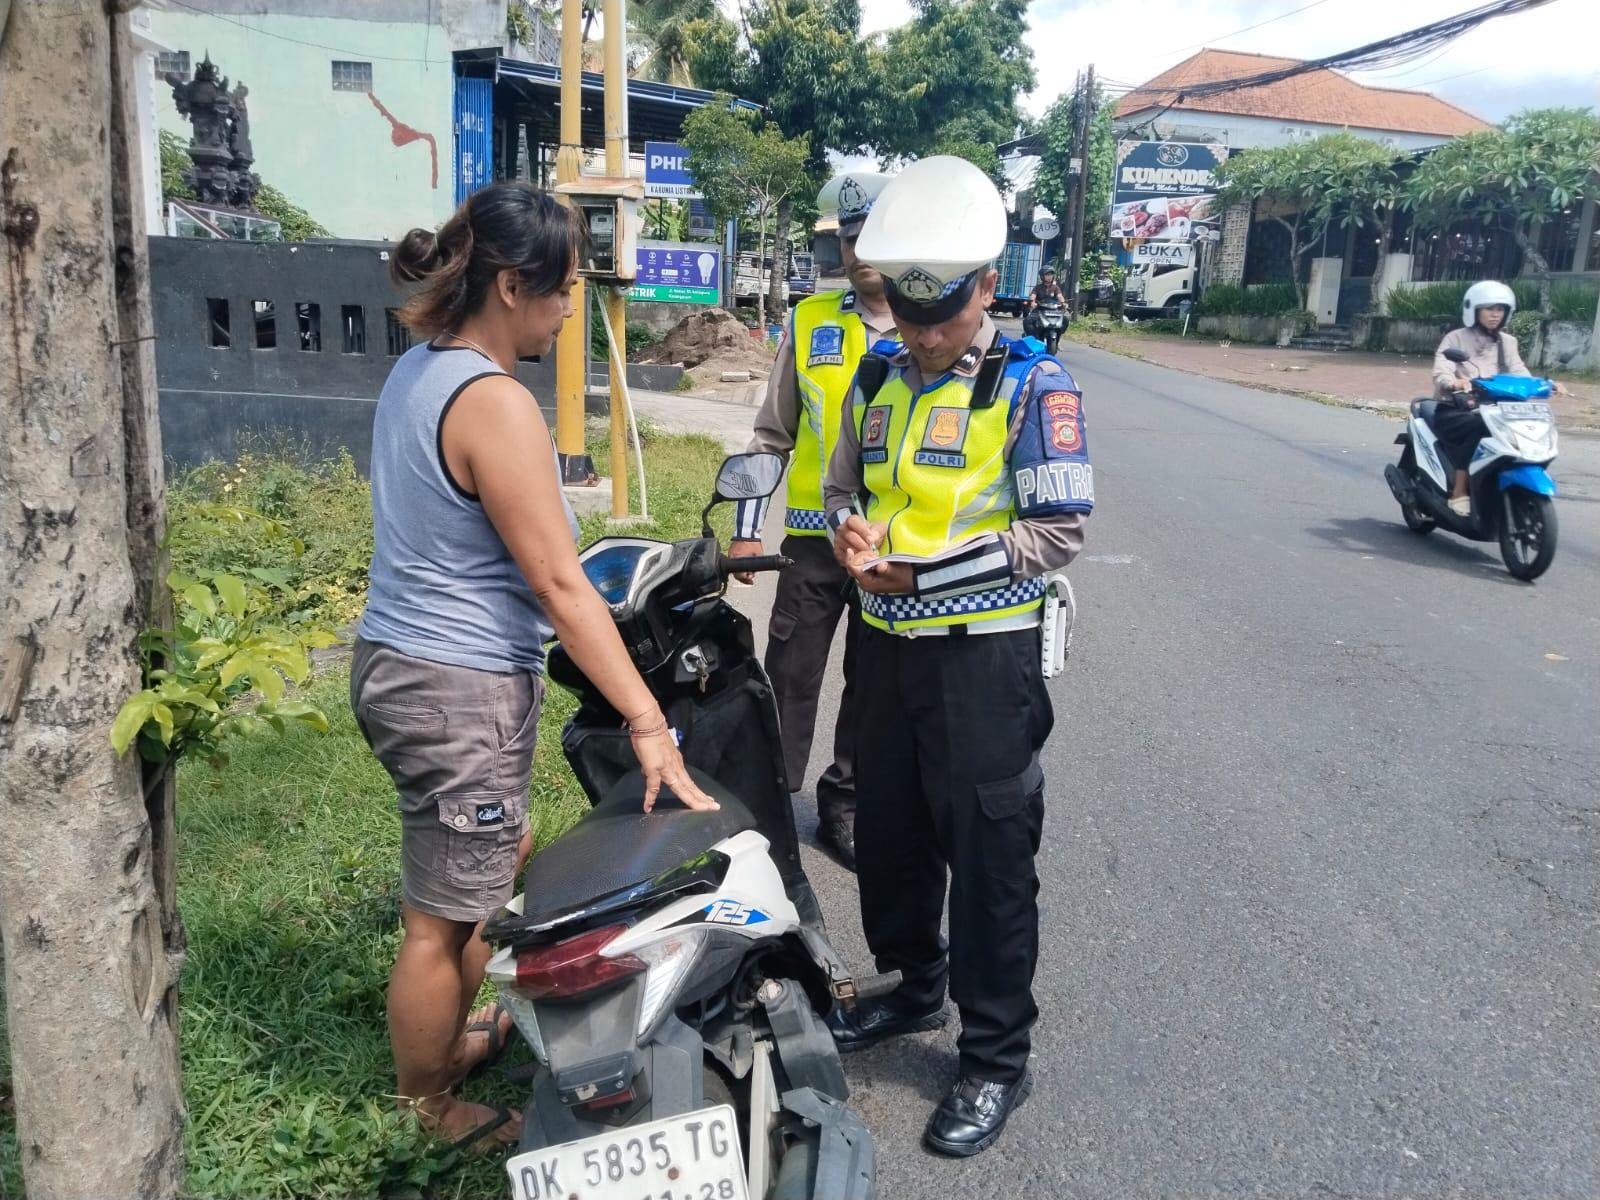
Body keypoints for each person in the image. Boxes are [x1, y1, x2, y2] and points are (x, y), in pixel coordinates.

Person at [350, 183, 716, 1152]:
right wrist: (646, 720)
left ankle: (449, 1041)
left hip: (399, 660)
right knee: (439, 920)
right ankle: (427, 1108)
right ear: (511, 285)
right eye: (560, 292)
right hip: (453, 686)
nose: (565, 312)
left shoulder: (421, 370)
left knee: (493, 857)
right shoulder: (495, 403)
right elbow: (559, 583)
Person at [821, 157, 1093, 1157]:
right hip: (884, 651)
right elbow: (845, 489)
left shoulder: (1032, 384)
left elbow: (1056, 531)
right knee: (889, 834)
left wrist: (927, 573)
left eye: (940, 315)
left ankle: (994, 1057)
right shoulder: (875, 374)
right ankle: (912, 986)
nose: (923, 334)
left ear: (985, 287)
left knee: (988, 858)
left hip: (983, 661)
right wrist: (849, 533)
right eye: (906, 312)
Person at [728, 171, 899, 872]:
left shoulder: (929, 328)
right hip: (811, 542)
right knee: (789, 675)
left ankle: (845, 808)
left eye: (873, 237)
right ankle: (766, 810)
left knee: (873, 685)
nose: (859, 252)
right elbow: (770, 436)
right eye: (850, 238)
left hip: (891, 549)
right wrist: (747, 529)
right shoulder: (809, 321)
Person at [1430, 280, 1565, 516]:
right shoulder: (1455, 338)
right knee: (1480, 427)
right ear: (1474, 310)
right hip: (1456, 408)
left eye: (1500, 309)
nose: (1495, 314)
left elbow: (1520, 371)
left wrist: (1546, 385)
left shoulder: (1508, 342)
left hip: (1498, 410)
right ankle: (1459, 491)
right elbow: (1442, 370)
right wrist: (1454, 382)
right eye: (1489, 308)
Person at [1023, 266, 1066, 338]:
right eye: (1047, 275)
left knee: (1065, 320)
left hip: (1053, 312)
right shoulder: (1038, 287)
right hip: (1039, 311)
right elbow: (1033, 296)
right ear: (1042, 276)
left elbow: (1060, 296)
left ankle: (1058, 335)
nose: (1049, 277)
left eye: (1051, 274)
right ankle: (1033, 339)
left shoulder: (1055, 287)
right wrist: (1032, 302)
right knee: (1027, 321)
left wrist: (1063, 303)